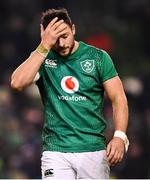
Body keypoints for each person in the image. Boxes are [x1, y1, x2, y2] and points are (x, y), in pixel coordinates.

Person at [11, 8, 129, 179]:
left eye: (65, 36)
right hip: (55, 151)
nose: (63, 44)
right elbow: (17, 83)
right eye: (55, 39)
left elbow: (119, 98)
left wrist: (119, 136)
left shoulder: (98, 57)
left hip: (93, 149)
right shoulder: (42, 58)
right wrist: (44, 46)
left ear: (73, 29)